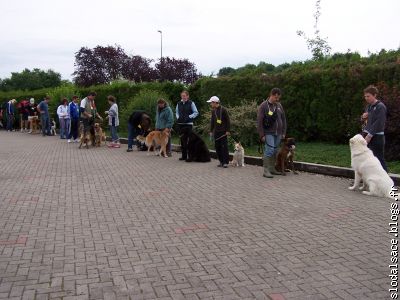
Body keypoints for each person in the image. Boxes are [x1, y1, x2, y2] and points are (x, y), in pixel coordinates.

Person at [257, 88, 287, 178]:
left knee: (274, 151)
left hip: (278, 133)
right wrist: (261, 135)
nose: (277, 100)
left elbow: (283, 119)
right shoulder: (263, 106)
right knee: (269, 150)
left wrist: (283, 132)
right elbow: (259, 121)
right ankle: (266, 171)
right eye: (276, 98)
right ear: (272, 95)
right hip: (268, 132)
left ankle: (272, 168)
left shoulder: (279, 105)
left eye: (278, 98)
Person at [361, 85, 388, 171]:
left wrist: (369, 136)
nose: (366, 98)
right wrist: (363, 117)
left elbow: (379, 123)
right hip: (366, 134)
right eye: (365, 96)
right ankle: (367, 179)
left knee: (379, 158)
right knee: (366, 158)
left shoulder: (381, 107)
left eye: (368, 96)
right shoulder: (369, 106)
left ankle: (386, 180)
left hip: (377, 137)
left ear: (375, 95)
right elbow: (366, 122)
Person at [175, 90, 199, 161]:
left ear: (188, 96)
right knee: (182, 141)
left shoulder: (191, 103)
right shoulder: (178, 103)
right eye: (182, 96)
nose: (183, 97)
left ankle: (190, 156)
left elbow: (196, 112)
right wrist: (178, 117)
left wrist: (189, 117)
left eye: (185, 96)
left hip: (188, 124)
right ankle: (184, 156)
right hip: (181, 124)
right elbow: (176, 112)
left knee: (189, 141)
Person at [208, 96, 231, 168]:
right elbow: (212, 122)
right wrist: (211, 131)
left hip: (223, 132)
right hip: (216, 132)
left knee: (224, 147)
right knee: (217, 147)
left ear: (215, 102)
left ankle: (225, 162)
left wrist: (228, 130)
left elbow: (228, 121)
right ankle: (221, 161)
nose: (210, 104)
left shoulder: (223, 110)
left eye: (211, 103)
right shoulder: (213, 111)